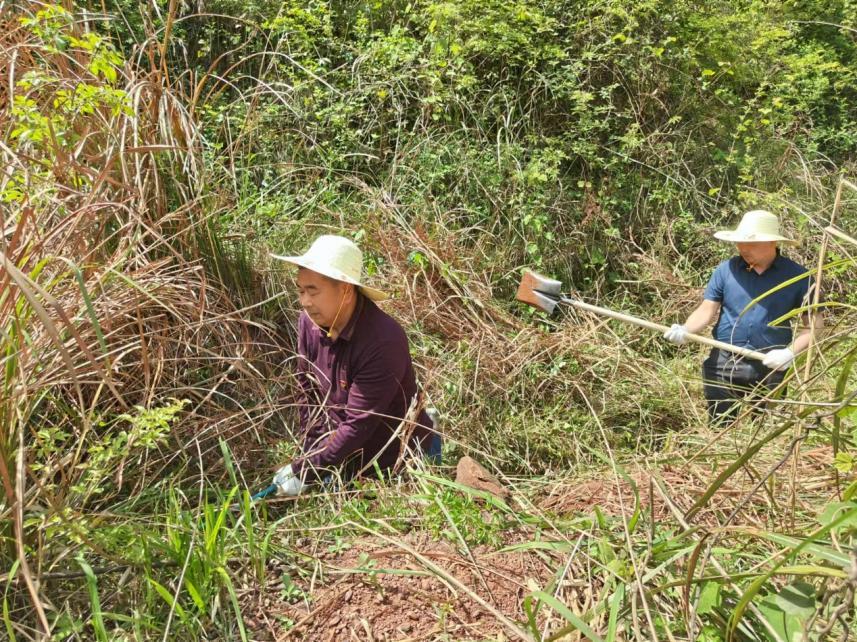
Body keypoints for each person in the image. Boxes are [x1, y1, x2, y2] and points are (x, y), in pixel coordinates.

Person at [269, 235, 437, 496]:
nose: (305, 302)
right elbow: (306, 388)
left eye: (313, 291)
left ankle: (429, 428)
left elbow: (359, 423)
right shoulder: (308, 322)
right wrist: (309, 452)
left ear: (346, 290)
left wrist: (308, 470)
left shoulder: (382, 341)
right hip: (340, 452)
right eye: (301, 291)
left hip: (392, 461)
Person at [663, 210, 816, 423]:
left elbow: (814, 328)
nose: (743, 248)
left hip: (770, 366)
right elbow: (707, 309)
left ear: (772, 242)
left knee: (763, 432)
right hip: (723, 364)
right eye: (740, 243)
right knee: (719, 424)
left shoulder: (800, 278)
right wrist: (686, 330)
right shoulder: (726, 271)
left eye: (751, 244)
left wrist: (789, 353)